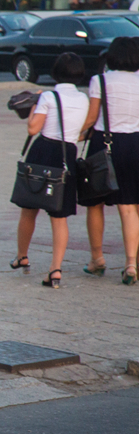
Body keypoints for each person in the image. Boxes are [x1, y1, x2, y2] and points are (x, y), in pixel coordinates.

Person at [10, 53, 88, 289]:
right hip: (67, 154)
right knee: (59, 216)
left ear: (55, 72)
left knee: (29, 209)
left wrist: (34, 107)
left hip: (43, 151)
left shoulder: (48, 96)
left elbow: (33, 128)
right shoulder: (83, 99)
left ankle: (22, 256)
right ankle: (55, 270)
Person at [80, 37, 139, 285]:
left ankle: (98, 259)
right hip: (135, 144)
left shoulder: (100, 81)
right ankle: (131, 264)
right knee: (129, 206)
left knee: (96, 204)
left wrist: (76, 134)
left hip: (104, 145)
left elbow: (92, 117)